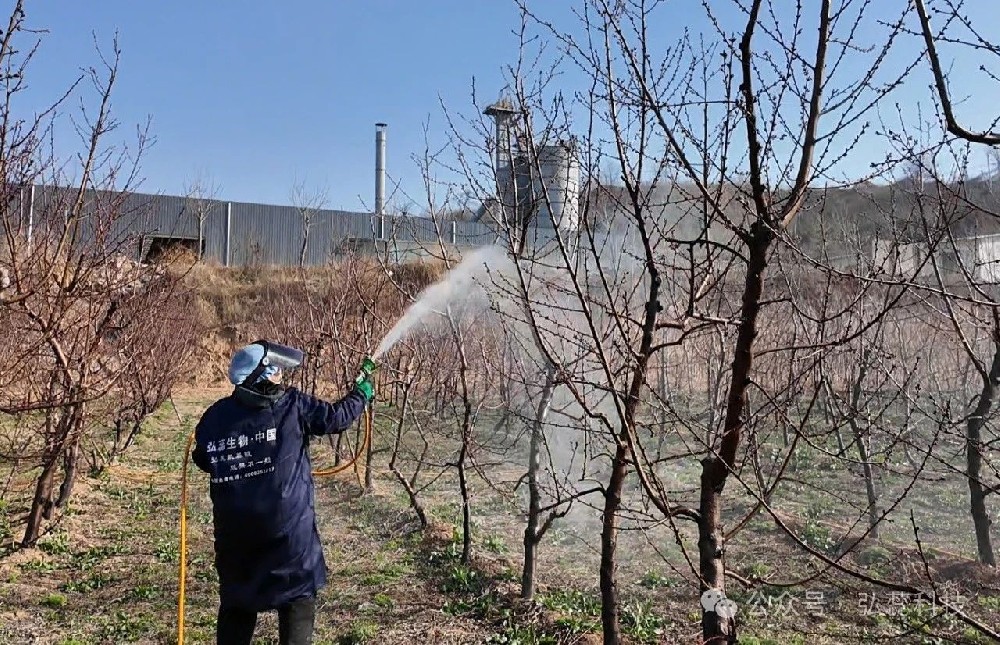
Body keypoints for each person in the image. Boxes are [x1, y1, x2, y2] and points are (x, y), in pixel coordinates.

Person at [192, 340, 375, 645]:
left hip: (236, 542)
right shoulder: (293, 405)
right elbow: (336, 417)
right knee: (297, 601)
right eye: (275, 370)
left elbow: (203, 459)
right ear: (260, 377)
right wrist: (361, 394)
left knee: (238, 606)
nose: (281, 375)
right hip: (289, 542)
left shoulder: (215, 416)